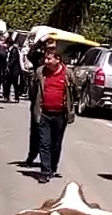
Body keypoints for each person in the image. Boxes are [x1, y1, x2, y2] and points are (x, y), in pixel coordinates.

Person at [28, 48, 77, 184]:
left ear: (58, 60)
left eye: (49, 59)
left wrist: (71, 108)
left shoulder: (67, 74)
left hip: (61, 115)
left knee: (56, 143)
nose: (46, 61)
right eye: (45, 58)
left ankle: (52, 167)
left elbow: (74, 91)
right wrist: (36, 106)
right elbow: (33, 90)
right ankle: (45, 172)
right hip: (44, 113)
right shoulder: (40, 72)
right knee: (44, 143)